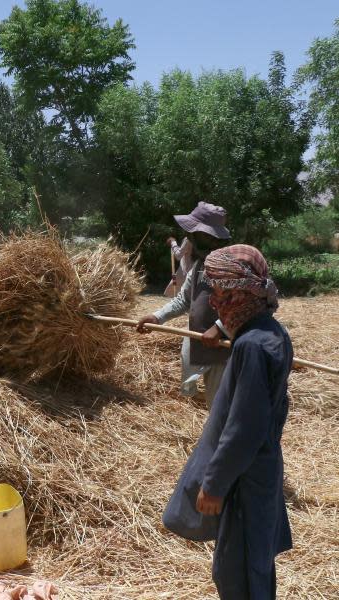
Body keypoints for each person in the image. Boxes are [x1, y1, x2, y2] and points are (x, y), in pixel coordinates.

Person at [162, 244, 291, 600]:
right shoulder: (272, 333)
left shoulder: (251, 345)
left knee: (239, 572)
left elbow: (243, 427)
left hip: (244, 478)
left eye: (220, 292)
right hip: (259, 469)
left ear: (241, 293)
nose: (214, 302)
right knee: (251, 564)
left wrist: (214, 484)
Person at [136, 201, 232, 402]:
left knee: (222, 407)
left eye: (193, 233)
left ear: (208, 236)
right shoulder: (199, 266)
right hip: (202, 346)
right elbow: (183, 300)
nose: (188, 237)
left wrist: (218, 327)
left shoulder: (232, 267)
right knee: (214, 404)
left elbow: (248, 307)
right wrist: (157, 317)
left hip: (225, 350)